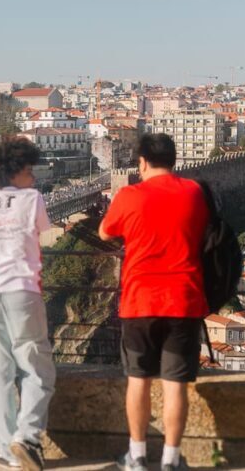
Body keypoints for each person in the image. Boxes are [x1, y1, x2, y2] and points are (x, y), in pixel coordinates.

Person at [99, 134, 209, 471]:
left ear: (142, 162)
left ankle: (137, 456)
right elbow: (203, 229)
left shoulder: (130, 195)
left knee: (138, 380)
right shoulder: (194, 192)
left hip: (140, 302)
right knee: (176, 385)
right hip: (184, 301)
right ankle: (171, 461)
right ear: (174, 160)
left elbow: (105, 232)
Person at [0, 136, 56, 471]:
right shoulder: (32, 199)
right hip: (22, 290)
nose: (33, 177)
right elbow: (41, 235)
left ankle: (7, 450)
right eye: (29, 170)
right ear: (13, 170)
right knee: (37, 369)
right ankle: (27, 438)